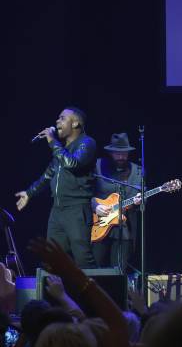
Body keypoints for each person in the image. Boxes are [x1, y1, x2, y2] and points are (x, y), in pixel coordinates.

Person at [15, 107, 98, 268]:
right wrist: (29, 193)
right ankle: (55, 293)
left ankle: (95, 293)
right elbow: (48, 174)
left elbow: (73, 163)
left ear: (75, 123)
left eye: (62, 118)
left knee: (83, 261)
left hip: (76, 210)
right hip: (57, 210)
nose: (57, 121)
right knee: (51, 261)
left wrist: (52, 141)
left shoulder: (87, 143)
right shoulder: (62, 149)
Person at [91, 133, 142, 270]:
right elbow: (85, 193)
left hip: (123, 228)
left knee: (119, 271)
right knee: (94, 269)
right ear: (111, 152)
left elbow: (142, 198)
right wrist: (96, 206)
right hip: (99, 225)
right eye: (117, 153)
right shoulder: (98, 166)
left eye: (124, 153)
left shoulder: (137, 171)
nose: (120, 157)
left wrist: (139, 201)